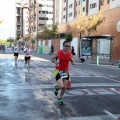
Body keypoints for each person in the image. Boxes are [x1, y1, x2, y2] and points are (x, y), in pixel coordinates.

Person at [51, 40, 75, 105]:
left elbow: (72, 60)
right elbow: (51, 59)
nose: (67, 47)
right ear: (63, 46)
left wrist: (73, 62)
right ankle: (56, 88)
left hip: (65, 71)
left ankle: (60, 98)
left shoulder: (70, 54)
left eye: (68, 46)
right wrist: (55, 62)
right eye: (66, 46)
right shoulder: (58, 52)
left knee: (64, 87)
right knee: (60, 86)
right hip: (57, 70)